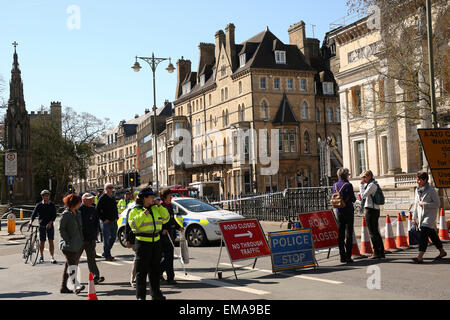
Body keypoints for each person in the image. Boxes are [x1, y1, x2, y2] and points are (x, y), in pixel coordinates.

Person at [128, 188, 170, 300]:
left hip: (156, 241)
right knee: (141, 272)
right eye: (151, 197)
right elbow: (133, 225)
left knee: (155, 271)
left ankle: (156, 294)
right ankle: (141, 297)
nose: (153, 199)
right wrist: (143, 214)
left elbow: (166, 218)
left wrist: (160, 206)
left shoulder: (156, 208)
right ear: (144, 198)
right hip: (142, 242)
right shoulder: (135, 210)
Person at [411, 172, 447, 263]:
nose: (417, 181)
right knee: (432, 234)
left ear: (425, 180)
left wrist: (425, 204)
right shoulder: (417, 190)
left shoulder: (431, 190)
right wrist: (414, 217)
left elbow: (437, 203)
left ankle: (420, 257)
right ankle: (442, 251)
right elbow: (416, 204)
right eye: (417, 179)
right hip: (421, 216)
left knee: (424, 234)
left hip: (430, 216)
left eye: (419, 179)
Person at [59, 193, 85, 294]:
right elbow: (61, 229)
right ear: (74, 203)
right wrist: (67, 240)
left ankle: (63, 287)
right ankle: (76, 286)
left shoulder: (78, 213)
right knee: (72, 266)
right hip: (68, 245)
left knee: (68, 266)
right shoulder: (66, 214)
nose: (80, 203)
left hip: (77, 243)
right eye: (79, 202)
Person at [160, 188, 184, 284]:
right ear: (165, 197)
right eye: (170, 196)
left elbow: (172, 220)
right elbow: (159, 220)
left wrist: (178, 227)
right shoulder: (161, 206)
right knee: (167, 257)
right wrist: (162, 229)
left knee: (169, 257)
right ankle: (169, 277)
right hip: (164, 235)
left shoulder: (170, 206)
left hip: (171, 234)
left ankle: (164, 274)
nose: (171, 198)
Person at [359, 170, 385, 260]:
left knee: (372, 232)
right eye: (362, 177)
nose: (363, 179)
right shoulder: (371, 184)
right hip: (372, 209)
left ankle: (377, 252)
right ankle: (380, 251)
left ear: (369, 176)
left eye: (364, 177)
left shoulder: (372, 185)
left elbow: (363, 195)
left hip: (371, 210)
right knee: (375, 232)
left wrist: (361, 185)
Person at [80, 193, 105, 284]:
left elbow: (96, 223)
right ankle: (70, 279)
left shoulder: (93, 209)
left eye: (92, 199)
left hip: (90, 239)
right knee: (74, 260)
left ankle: (96, 276)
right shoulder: (79, 210)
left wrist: (96, 234)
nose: (92, 200)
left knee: (91, 259)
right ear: (84, 200)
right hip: (80, 240)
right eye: (89, 199)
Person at [333, 168, 356, 264]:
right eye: (348, 174)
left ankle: (342, 256)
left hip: (338, 210)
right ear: (346, 175)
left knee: (340, 234)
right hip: (348, 210)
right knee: (349, 234)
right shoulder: (348, 185)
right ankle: (348, 256)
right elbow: (353, 199)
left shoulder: (334, 185)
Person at [29, 190, 57, 264]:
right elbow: (33, 214)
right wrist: (30, 222)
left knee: (51, 241)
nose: (46, 197)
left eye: (48, 195)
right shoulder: (39, 205)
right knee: (42, 241)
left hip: (50, 225)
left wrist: (50, 223)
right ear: (42, 196)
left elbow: (54, 215)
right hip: (42, 225)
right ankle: (41, 256)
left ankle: (52, 257)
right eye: (45, 195)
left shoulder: (52, 205)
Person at [96, 183, 119, 261]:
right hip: (106, 222)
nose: (111, 189)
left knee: (113, 237)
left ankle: (106, 252)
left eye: (112, 187)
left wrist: (116, 217)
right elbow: (97, 209)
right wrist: (103, 219)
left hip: (114, 221)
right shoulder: (102, 198)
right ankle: (107, 255)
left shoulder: (112, 197)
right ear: (106, 189)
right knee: (106, 239)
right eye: (109, 187)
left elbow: (115, 208)